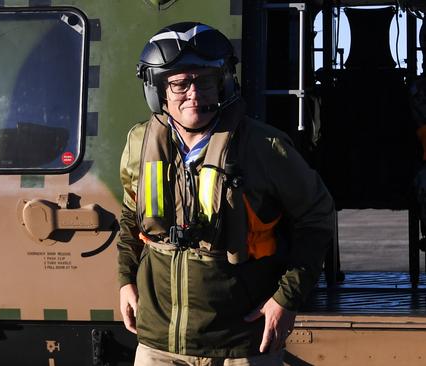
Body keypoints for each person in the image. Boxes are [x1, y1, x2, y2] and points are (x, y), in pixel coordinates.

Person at [117, 22, 335, 365]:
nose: (194, 93)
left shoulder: (265, 147)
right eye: (179, 83)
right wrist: (124, 280)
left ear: (224, 83)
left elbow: (317, 216)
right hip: (158, 343)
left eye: (204, 80)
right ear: (157, 90)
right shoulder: (139, 144)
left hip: (239, 346)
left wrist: (287, 298)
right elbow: (131, 216)